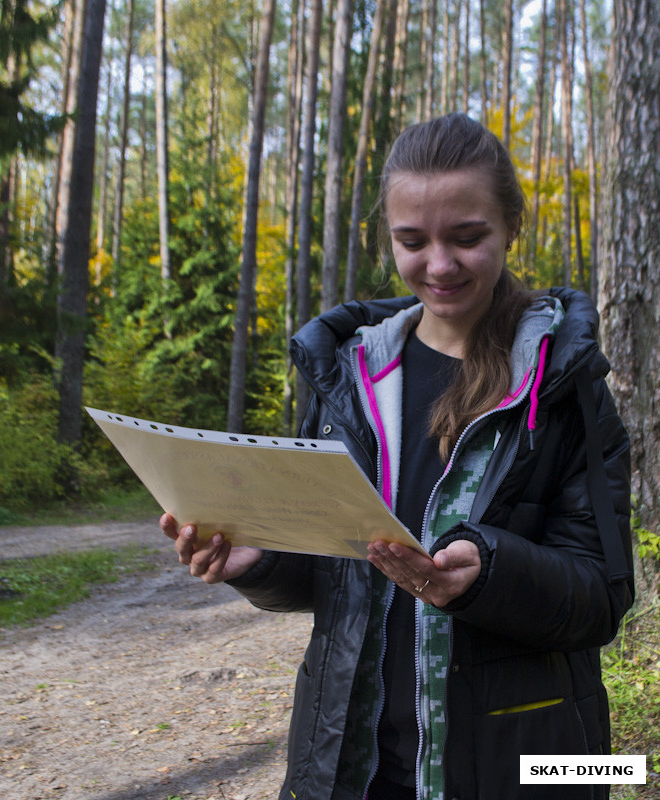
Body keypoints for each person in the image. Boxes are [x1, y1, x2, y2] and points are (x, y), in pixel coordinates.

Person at [160, 113, 634, 800]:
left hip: (531, 766)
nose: (439, 265)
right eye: (413, 241)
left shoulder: (568, 384)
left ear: (511, 227)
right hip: (352, 767)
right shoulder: (347, 378)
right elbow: (336, 577)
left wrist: (486, 577)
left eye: (468, 238)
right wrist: (258, 563)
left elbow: (602, 599)